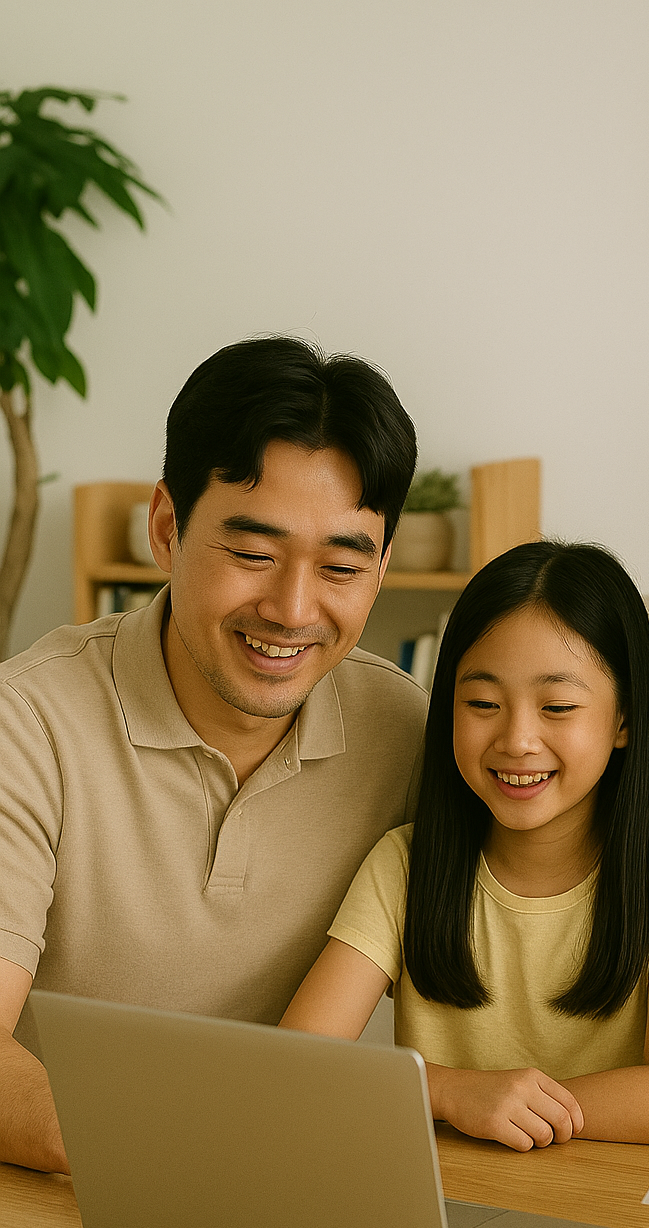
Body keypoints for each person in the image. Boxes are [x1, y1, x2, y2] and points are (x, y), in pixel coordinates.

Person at [0, 336, 426, 1175]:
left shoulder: (404, 731)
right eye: (252, 554)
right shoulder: (28, 724)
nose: (292, 607)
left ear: (381, 566)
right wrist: (207, 1150)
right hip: (52, 1206)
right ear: (167, 528)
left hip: (273, 1194)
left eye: (341, 564)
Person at [281, 541, 649, 1151]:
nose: (518, 739)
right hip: (445, 1207)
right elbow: (297, 1065)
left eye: (557, 706)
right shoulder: (406, 865)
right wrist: (452, 1094)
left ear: (625, 719)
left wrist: (507, 1106)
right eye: (482, 704)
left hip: (620, 1208)